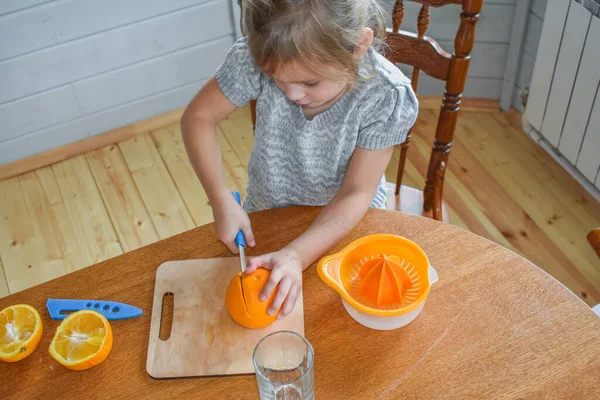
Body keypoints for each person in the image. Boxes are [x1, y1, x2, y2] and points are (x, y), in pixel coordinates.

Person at [181, 0, 418, 320]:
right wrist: (221, 199)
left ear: (359, 46)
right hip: (270, 213)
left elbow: (356, 194)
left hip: (349, 224)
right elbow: (198, 118)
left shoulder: (385, 95)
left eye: (310, 83)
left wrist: (295, 255)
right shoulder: (254, 57)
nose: (292, 95)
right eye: (276, 78)